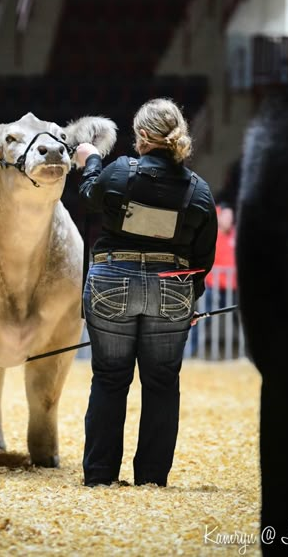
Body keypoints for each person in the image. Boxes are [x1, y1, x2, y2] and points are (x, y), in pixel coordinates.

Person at [75, 98, 217, 487]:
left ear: (141, 136)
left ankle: (101, 477)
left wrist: (90, 160)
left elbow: (89, 197)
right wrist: (190, 299)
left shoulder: (120, 172)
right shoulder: (199, 191)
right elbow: (203, 258)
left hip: (111, 280)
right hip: (172, 286)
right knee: (161, 383)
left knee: (109, 378)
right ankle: (152, 481)